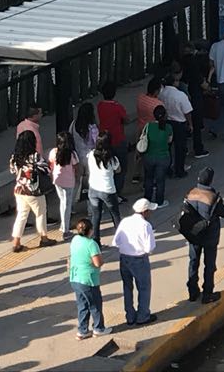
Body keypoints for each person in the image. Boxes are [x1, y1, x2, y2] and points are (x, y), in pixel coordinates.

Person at [182, 168, 224, 304]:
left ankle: (192, 292)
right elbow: (223, 212)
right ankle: (207, 293)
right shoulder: (212, 197)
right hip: (210, 237)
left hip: (194, 234)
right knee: (209, 265)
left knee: (193, 262)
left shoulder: (190, 194)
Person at [114, 198, 159, 326]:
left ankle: (130, 316)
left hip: (124, 258)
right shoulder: (146, 225)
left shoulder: (125, 221)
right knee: (144, 288)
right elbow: (149, 247)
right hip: (139, 259)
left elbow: (116, 241)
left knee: (127, 287)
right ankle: (143, 316)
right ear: (145, 212)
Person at [9, 129, 55, 253]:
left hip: (19, 190)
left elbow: (12, 171)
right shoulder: (35, 156)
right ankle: (44, 238)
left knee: (21, 215)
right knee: (40, 214)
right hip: (34, 190)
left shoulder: (15, 157)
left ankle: (16, 242)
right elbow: (46, 170)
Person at [68, 218, 109, 340]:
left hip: (75, 278)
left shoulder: (75, 239)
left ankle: (82, 330)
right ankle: (98, 328)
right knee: (95, 305)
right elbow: (98, 263)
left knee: (82, 305)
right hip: (88, 280)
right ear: (90, 230)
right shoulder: (92, 244)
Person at [87, 133, 123, 240]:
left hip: (93, 188)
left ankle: (96, 241)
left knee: (96, 216)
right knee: (115, 214)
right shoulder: (112, 159)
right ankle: (121, 239)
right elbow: (118, 170)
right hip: (107, 190)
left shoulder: (91, 154)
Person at [159, 71, 194, 179]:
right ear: (174, 82)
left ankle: (167, 169)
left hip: (167, 122)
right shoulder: (180, 95)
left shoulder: (161, 94)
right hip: (179, 123)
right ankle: (179, 170)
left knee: (167, 147)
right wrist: (190, 124)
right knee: (180, 148)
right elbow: (187, 111)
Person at [96, 81, 130, 188]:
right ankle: (117, 191)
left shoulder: (100, 105)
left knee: (106, 165)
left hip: (105, 140)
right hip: (118, 138)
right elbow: (126, 120)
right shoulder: (117, 107)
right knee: (121, 167)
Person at [48, 131, 80, 243]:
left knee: (62, 202)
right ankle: (65, 230)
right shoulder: (72, 154)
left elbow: (51, 165)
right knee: (67, 204)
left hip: (57, 181)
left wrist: (52, 176)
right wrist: (78, 178)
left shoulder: (53, 152)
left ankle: (63, 225)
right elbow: (76, 168)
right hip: (69, 182)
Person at [140, 105, 172, 209]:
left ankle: (147, 200)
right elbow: (169, 141)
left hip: (149, 157)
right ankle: (159, 201)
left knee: (148, 178)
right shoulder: (168, 127)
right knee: (160, 180)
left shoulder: (148, 126)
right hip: (163, 157)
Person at [71, 103, 99, 178]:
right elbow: (97, 143)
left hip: (78, 156)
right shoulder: (92, 127)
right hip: (90, 157)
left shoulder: (73, 124)